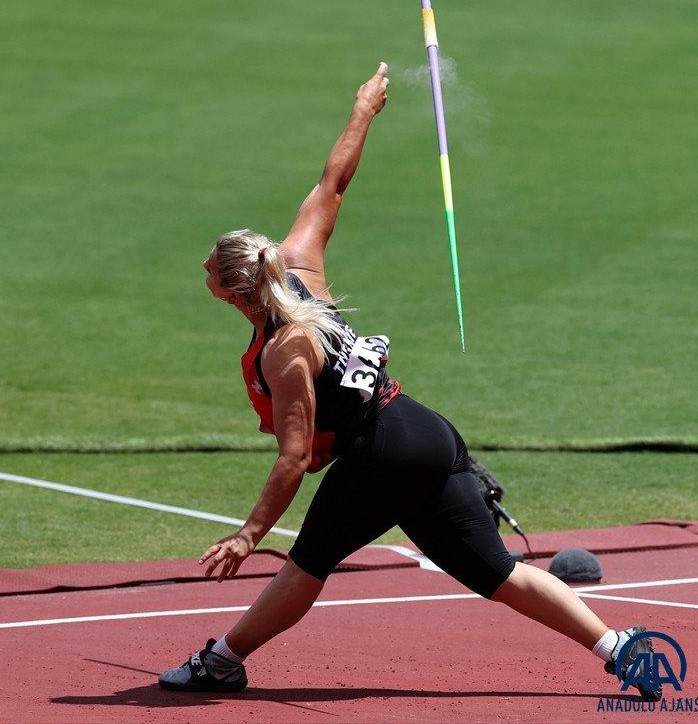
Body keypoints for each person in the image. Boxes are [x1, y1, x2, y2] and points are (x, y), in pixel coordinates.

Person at [158, 63, 658, 700]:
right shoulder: (300, 264)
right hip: (423, 431)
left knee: (308, 563)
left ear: (232, 293)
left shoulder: (284, 353)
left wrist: (249, 534)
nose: (203, 272)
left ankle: (222, 661)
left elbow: (291, 460)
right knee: (497, 573)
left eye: (209, 268)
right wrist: (364, 108)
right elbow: (332, 182)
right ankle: (619, 649)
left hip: (383, 454)